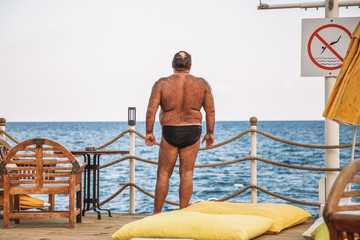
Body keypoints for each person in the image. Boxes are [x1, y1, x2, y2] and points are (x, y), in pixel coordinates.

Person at [145, 51, 215, 214]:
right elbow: (210, 111)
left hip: (170, 130)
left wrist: (149, 132)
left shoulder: (162, 83)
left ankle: (157, 215)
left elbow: (151, 111)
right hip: (193, 130)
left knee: (163, 174)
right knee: (187, 173)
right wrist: (210, 133)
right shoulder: (202, 84)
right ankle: (182, 213)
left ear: (172, 65)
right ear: (190, 66)